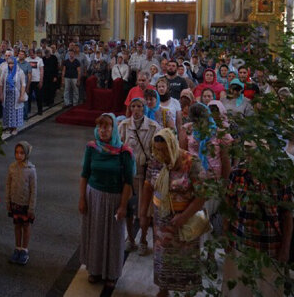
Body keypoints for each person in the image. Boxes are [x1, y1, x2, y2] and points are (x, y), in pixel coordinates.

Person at [140, 129, 206, 297]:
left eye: (164, 149)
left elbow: (202, 195)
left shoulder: (191, 162)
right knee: (163, 256)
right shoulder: (156, 161)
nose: (161, 153)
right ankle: (163, 288)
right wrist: (143, 213)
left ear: (172, 145)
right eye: (157, 149)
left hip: (185, 219)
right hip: (162, 220)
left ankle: (187, 290)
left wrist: (183, 217)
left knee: (185, 257)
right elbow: (148, 185)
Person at [223, 142, 294, 297]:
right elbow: (228, 207)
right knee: (239, 288)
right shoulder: (238, 173)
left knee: (269, 289)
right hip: (240, 242)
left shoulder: (280, 177)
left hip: (270, 245)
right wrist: (226, 237)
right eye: (247, 150)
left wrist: (285, 249)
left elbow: (287, 215)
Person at [79, 114, 134, 290]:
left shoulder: (124, 152)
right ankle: (94, 269)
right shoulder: (92, 148)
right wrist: (82, 198)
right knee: (95, 233)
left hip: (114, 198)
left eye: (107, 127)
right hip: (93, 196)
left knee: (113, 236)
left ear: (114, 129)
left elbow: (128, 181)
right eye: (100, 127)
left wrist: (123, 205)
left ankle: (111, 273)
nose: (103, 130)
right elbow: (85, 174)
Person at [119, 98, 161, 255]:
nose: (136, 109)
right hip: (128, 172)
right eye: (133, 106)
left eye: (139, 106)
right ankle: (130, 238)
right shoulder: (123, 125)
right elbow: (118, 145)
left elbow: (157, 150)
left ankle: (143, 239)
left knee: (145, 210)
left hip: (145, 172)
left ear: (144, 108)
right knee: (128, 207)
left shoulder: (153, 126)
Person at [6, 141, 37, 265]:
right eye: (17, 153)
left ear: (27, 154)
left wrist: (32, 207)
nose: (19, 155)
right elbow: (8, 184)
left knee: (26, 226)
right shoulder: (12, 167)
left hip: (26, 204)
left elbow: (34, 190)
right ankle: (17, 248)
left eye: (22, 153)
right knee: (17, 225)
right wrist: (8, 201)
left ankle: (24, 250)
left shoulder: (31, 170)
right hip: (15, 202)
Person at [0, 56, 27, 135]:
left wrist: (21, 95)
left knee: (15, 112)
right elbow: (1, 83)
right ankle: (8, 127)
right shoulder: (5, 71)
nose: (11, 65)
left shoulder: (19, 72)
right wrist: (1, 94)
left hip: (16, 96)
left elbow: (23, 85)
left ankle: (14, 128)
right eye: (9, 63)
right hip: (7, 96)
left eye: (12, 63)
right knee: (7, 111)